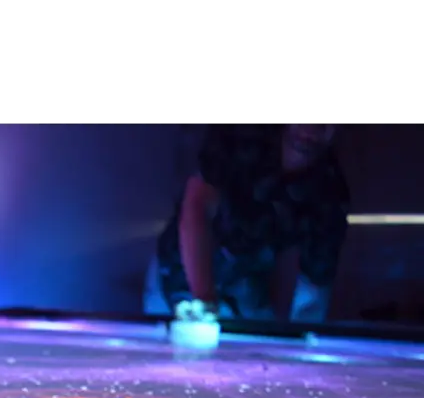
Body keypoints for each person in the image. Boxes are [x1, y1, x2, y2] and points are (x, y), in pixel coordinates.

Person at [145, 124, 350, 322]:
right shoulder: (240, 136)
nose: (311, 128)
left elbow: (297, 267)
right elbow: (197, 205)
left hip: (249, 301)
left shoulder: (329, 194)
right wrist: (204, 300)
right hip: (178, 279)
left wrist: (279, 331)